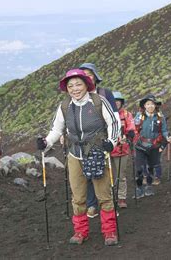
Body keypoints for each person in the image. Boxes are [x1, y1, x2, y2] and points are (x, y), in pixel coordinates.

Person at [37, 69, 121, 246]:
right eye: (70, 85)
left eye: (78, 84)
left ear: (86, 84)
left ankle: (109, 232)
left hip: (97, 153)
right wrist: (46, 142)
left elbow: (113, 122)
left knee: (104, 195)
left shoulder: (99, 101)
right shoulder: (65, 106)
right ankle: (80, 231)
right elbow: (56, 130)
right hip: (75, 154)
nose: (75, 88)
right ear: (66, 88)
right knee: (78, 196)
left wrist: (112, 142)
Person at [78, 62, 119, 219]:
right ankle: (91, 204)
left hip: (101, 140)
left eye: (89, 74)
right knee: (87, 174)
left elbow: (114, 119)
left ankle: (107, 205)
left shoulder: (105, 93)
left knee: (102, 174)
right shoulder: (76, 96)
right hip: (82, 143)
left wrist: (112, 139)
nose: (87, 77)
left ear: (95, 77)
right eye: (84, 75)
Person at [134, 94, 171, 198]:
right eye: (148, 104)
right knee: (139, 167)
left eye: (152, 104)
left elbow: (164, 130)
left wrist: (167, 137)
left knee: (151, 167)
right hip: (140, 145)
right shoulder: (139, 116)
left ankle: (149, 187)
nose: (150, 106)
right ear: (144, 106)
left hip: (154, 145)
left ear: (155, 105)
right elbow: (134, 128)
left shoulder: (160, 117)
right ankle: (139, 189)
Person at [110, 91, 136, 208]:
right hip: (107, 150)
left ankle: (121, 198)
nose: (116, 103)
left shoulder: (126, 115)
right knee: (107, 176)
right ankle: (109, 198)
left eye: (118, 101)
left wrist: (128, 136)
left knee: (121, 175)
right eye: (113, 101)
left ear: (121, 102)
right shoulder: (105, 114)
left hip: (121, 149)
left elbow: (131, 129)